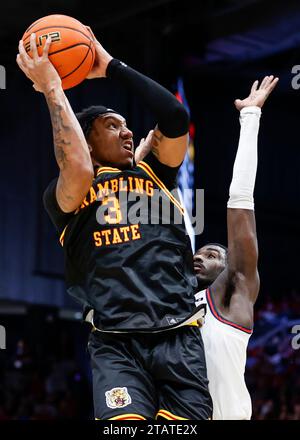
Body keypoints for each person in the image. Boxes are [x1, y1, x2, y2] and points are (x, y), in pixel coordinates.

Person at [16, 31, 211, 420]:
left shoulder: (157, 173)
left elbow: (175, 117)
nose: (127, 132)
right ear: (87, 141)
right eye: (111, 125)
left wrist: (110, 66)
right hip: (117, 342)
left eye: (126, 126)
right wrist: (52, 87)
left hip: (178, 334)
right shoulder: (68, 192)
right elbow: (78, 165)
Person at [193, 75, 279, 420]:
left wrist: (250, 119)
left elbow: (241, 203)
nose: (198, 257)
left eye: (212, 254)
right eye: (197, 254)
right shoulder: (174, 305)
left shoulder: (233, 293)